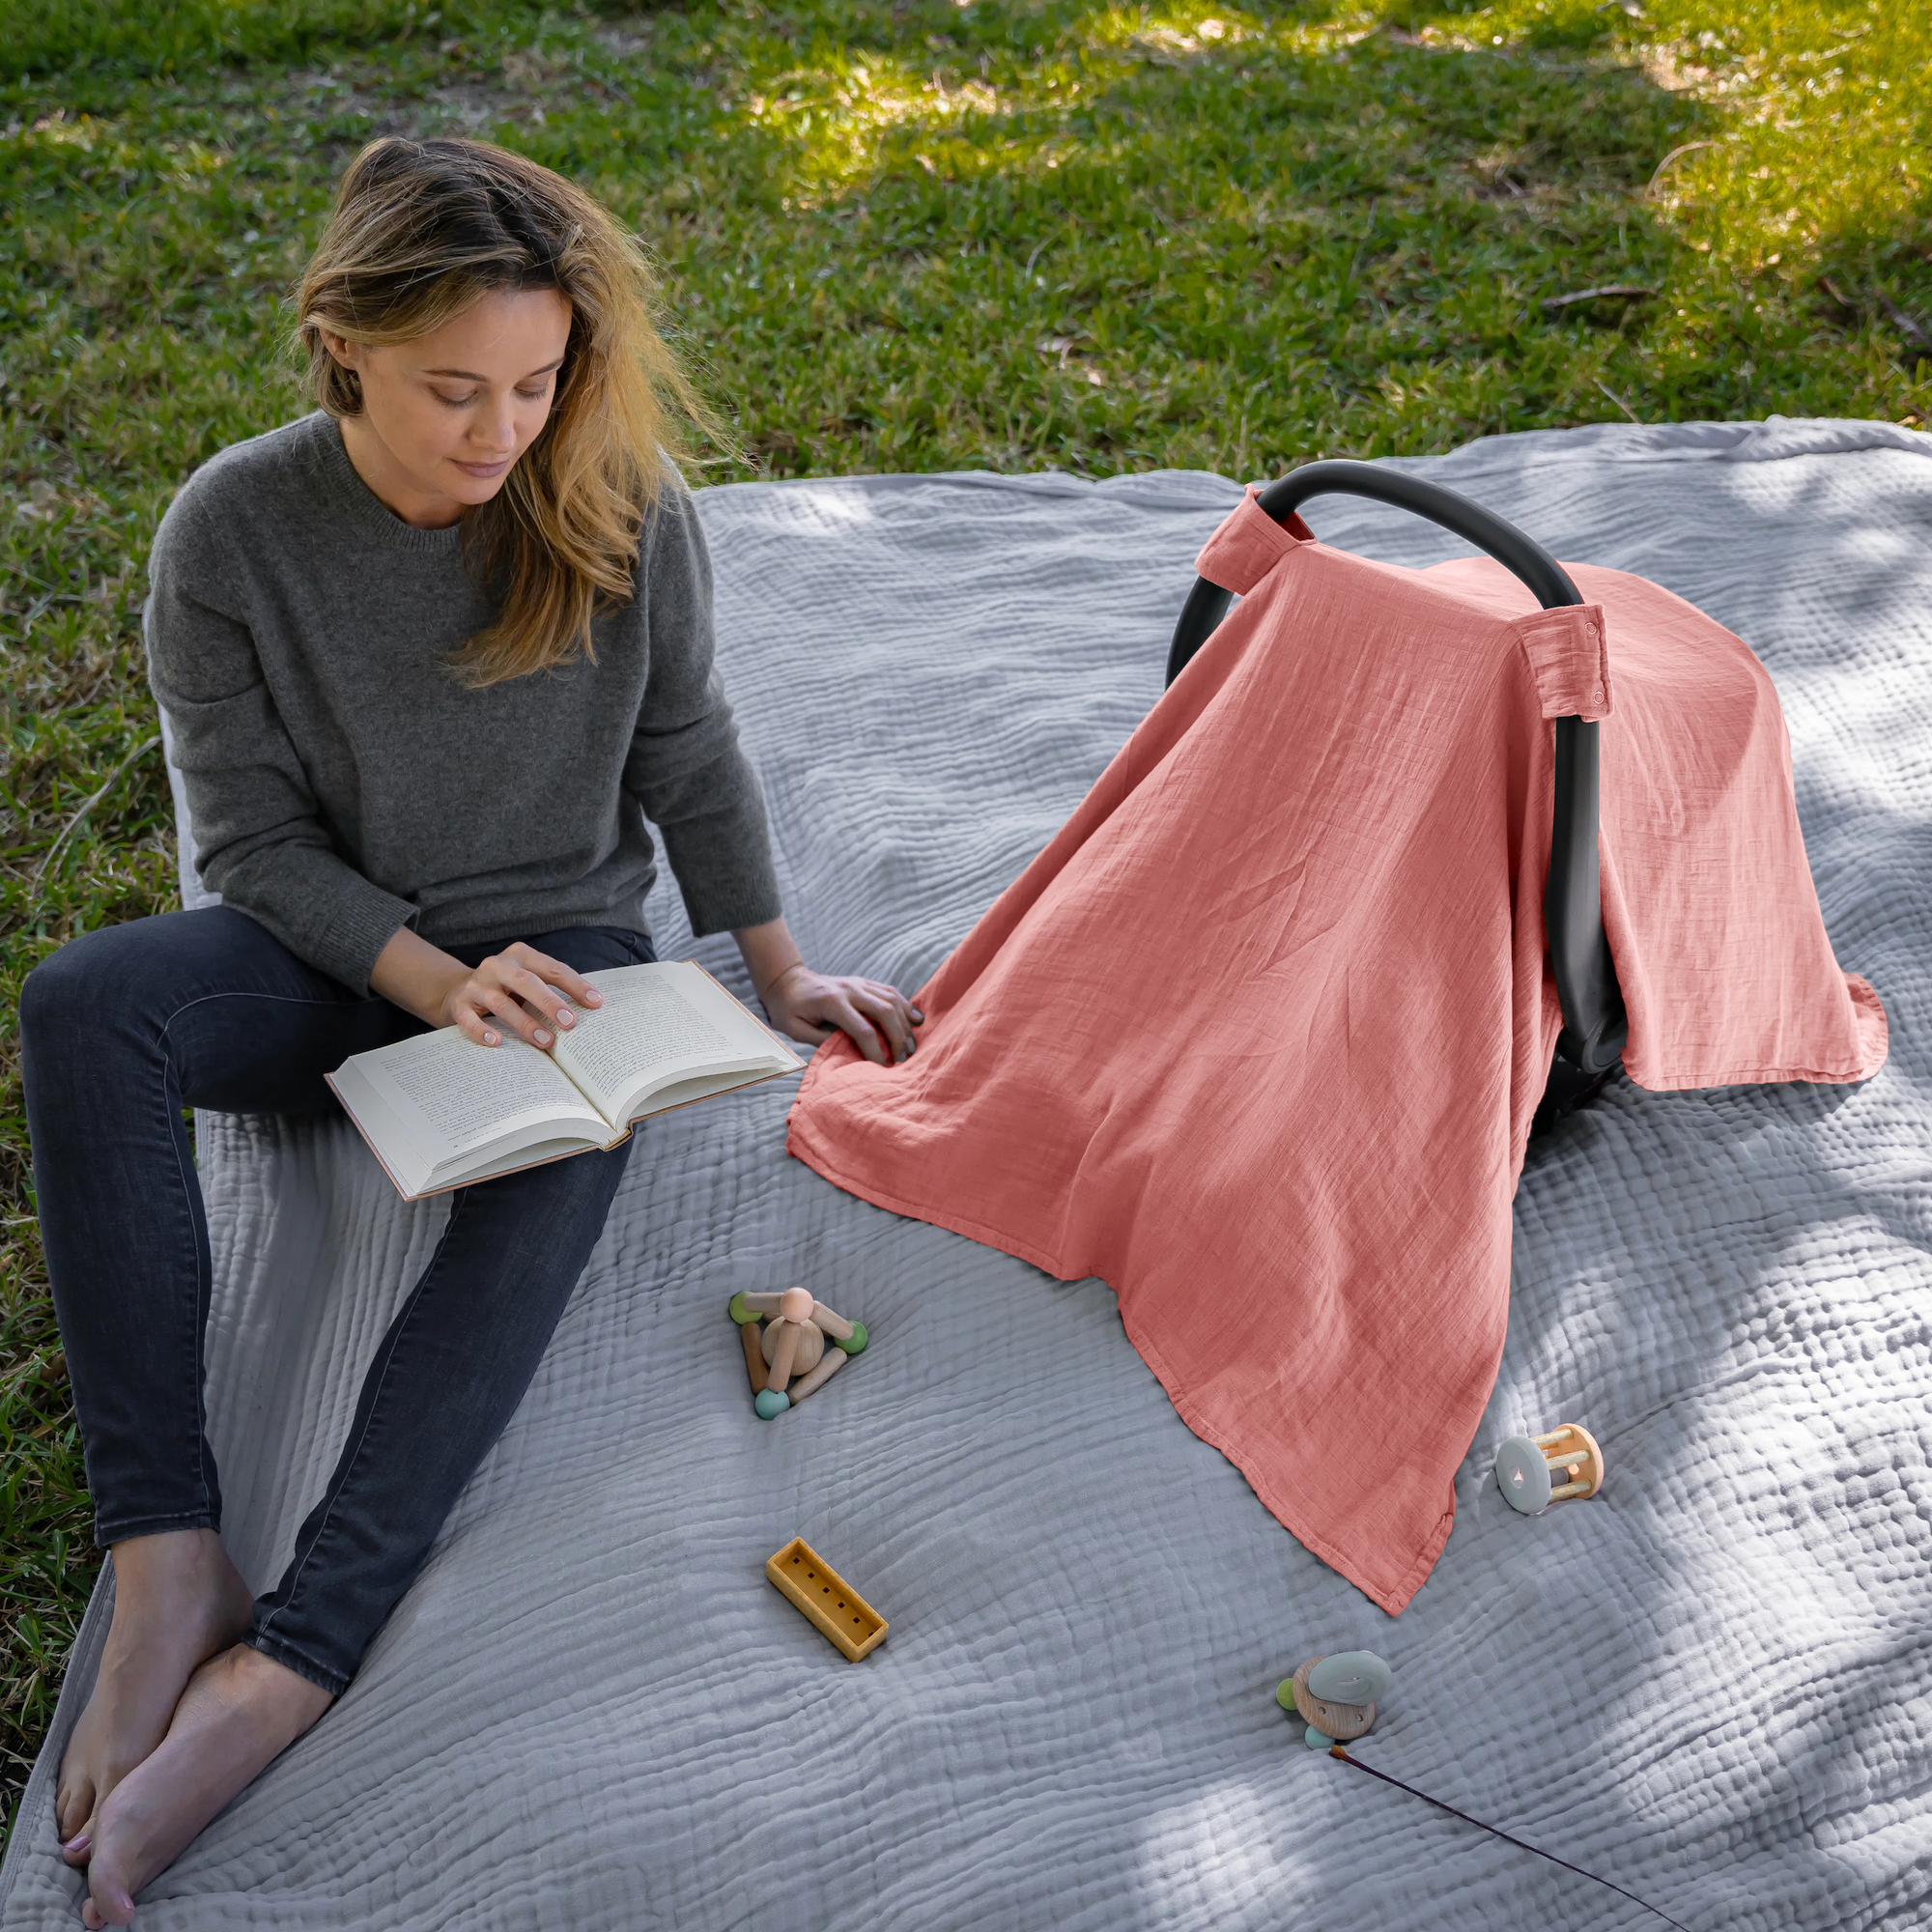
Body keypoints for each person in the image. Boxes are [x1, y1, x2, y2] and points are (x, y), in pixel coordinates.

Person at [17, 135, 921, 1928]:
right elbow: (250, 844)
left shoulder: (616, 502)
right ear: (340, 343)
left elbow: (689, 751)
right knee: (84, 1005)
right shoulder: (232, 531)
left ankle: (300, 1655)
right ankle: (169, 1561)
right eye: (454, 389)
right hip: (332, 941)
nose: (503, 429)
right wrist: (426, 978)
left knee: (572, 1154)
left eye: (537, 380)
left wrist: (777, 967)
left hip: (565, 946)